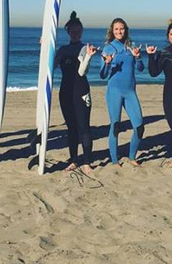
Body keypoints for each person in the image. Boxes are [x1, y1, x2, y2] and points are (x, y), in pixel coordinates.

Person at [54, 11, 97, 175]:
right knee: (71, 128)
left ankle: (87, 162)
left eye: (78, 31)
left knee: (83, 127)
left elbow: (81, 71)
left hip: (81, 92)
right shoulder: (63, 49)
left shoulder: (85, 49)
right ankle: (73, 160)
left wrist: (88, 57)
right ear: (68, 32)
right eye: (72, 31)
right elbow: (51, 67)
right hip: (65, 92)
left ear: (82, 31)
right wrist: (45, 48)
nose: (75, 34)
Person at [100, 18, 144, 166]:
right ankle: (114, 160)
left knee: (139, 126)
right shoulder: (108, 49)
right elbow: (102, 75)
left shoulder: (131, 47)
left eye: (122, 29)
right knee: (116, 126)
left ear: (126, 30)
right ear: (112, 31)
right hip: (114, 92)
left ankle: (132, 157)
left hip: (130, 91)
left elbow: (140, 69)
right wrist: (107, 63)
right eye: (116, 29)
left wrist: (138, 57)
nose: (119, 31)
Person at [146, 16, 172, 167]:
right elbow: (153, 72)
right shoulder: (164, 53)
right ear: (168, 36)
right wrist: (151, 56)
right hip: (170, 96)